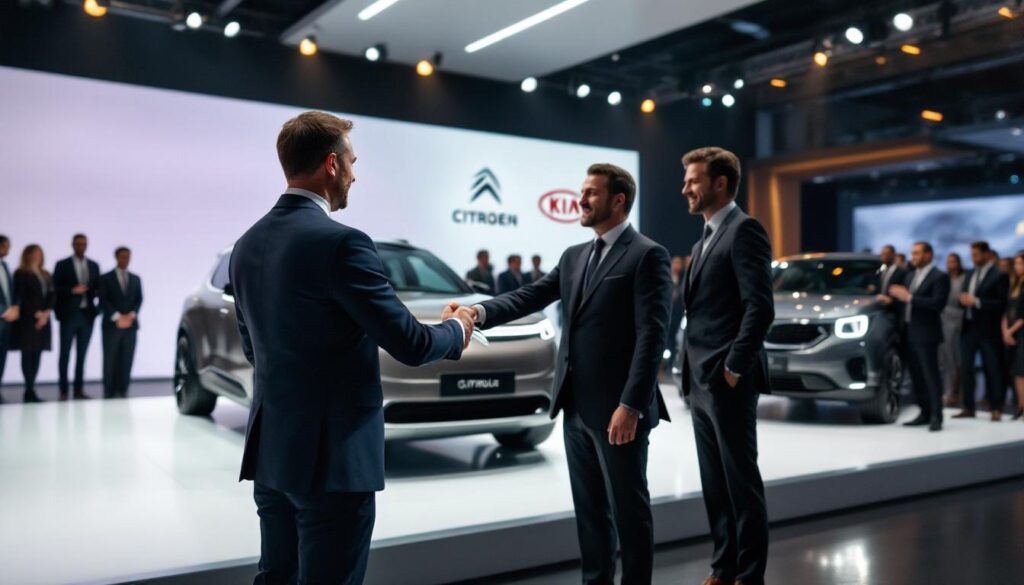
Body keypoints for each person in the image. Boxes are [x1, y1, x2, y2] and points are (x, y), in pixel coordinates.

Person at [229, 111, 473, 585]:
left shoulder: (246, 244)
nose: (355, 175)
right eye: (352, 162)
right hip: (332, 461)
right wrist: (456, 329)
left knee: (276, 577)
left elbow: (254, 348)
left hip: (272, 452)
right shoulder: (342, 244)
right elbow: (410, 342)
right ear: (331, 164)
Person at [458, 163, 671, 585]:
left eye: (592, 193)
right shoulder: (574, 256)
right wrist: (478, 312)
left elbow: (652, 336)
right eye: (582, 191)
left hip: (620, 412)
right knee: (591, 516)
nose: (582, 200)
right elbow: (529, 296)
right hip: (576, 407)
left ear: (618, 200)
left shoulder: (647, 255)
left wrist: (631, 405)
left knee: (629, 514)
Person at [679, 147, 773, 585]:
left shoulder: (744, 230)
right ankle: (724, 566)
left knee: (740, 482)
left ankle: (749, 575)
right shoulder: (702, 241)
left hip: (727, 379)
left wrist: (734, 367)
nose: (685, 189)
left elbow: (760, 307)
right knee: (715, 484)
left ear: (720, 183)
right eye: (686, 181)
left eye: (693, 180)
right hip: (701, 382)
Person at [889, 242, 950, 431]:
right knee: (916, 377)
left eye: (917, 253)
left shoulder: (939, 276)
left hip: (926, 333)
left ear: (928, 255)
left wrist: (909, 298)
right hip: (909, 331)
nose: (913, 256)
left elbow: (937, 304)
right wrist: (892, 299)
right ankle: (924, 412)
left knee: (931, 376)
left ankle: (936, 416)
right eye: (912, 253)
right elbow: (904, 302)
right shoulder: (910, 276)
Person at [956, 241, 1009, 421]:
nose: (974, 258)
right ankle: (968, 407)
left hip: (989, 330)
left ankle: (996, 407)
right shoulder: (970, 274)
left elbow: (1001, 304)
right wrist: (962, 300)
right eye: (972, 255)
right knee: (966, 368)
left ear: (987, 254)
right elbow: (964, 297)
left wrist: (977, 302)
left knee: (992, 369)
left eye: (977, 254)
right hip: (969, 327)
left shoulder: (999, 275)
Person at [52, 233, 100, 400]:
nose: (81, 246)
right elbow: (55, 288)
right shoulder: (62, 264)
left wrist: (97, 308)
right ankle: (63, 390)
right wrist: (73, 290)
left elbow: (98, 288)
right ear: (72, 245)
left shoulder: (93, 265)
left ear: (87, 245)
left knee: (81, 355)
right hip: (69, 314)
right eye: (78, 243)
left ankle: (79, 389)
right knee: (65, 353)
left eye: (83, 244)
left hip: (86, 315)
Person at [11, 244, 54, 403]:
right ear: (27, 255)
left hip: (44, 319)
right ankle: (29, 389)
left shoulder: (45, 274)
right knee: (27, 354)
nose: (37, 256)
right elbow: (21, 296)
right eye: (34, 253)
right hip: (28, 320)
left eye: (39, 253)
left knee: (37, 353)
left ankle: (32, 387)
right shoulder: (20, 273)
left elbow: (52, 294)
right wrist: (36, 314)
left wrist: (46, 312)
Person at [98, 247, 142, 399]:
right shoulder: (105, 278)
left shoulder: (135, 279)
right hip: (112, 325)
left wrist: (130, 315)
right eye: (123, 257)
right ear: (116, 257)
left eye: (128, 257)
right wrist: (117, 317)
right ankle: (109, 390)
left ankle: (123, 389)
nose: (125, 260)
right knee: (110, 358)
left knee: (127, 358)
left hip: (130, 325)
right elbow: (103, 300)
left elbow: (139, 299)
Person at [940, 253, 966, 407]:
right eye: (948, 261)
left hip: (957, 319)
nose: (950, 264)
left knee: (954, 358)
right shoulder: (944, 278)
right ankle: (948, 391)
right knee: (944, 358)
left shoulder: (964, 278)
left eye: (953, 261)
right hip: (943, 318)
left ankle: (955, 392)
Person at [1001, 252, 1024, 421]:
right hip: (1011, 330)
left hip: (1020, 331)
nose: (1017, 267)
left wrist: (1010, 330)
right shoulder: (1013, 284)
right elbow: (1006, 309)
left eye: (1020, 263)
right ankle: (1020, 405)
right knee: (1016, 371)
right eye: (1015, 263)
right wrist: (1005, 330)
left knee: (1021, 370)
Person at [0, 235, 18, 404]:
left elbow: (10, 292)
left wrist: (14, 307)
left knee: (2, 356)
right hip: (2, 315)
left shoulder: (4, 265)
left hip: (6, 321)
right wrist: (4, 310)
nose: (8, 250)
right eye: (6, 246)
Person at [666, 255, 687, 372]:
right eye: (675, 263)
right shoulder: (667, 276)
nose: (677, 266)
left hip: (677, 316)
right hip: (667, 315)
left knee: (676, 340)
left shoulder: (683, 278)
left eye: (679, 263)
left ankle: (671, 364)